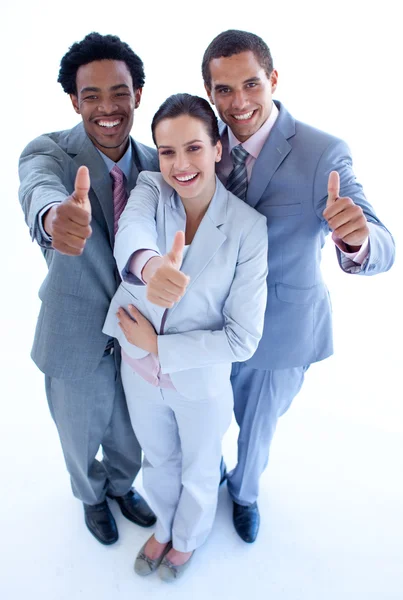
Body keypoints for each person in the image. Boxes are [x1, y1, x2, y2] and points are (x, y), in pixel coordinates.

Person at [149, 30, 395, 544]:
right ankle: (209, 474)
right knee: (202, 418)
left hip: (279, 331)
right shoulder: (198, 142)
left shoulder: (322, 152)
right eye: (223, 90)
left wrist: (358, 240)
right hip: (206, 324)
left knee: (257, 430)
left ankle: (244, 494)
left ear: (273, 79)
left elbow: (383, 243)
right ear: (210, 92)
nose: (239, 103)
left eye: (251, 84)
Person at [102, 93, 268, 580]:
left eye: (194, 148)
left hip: (199, 380)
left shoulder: (248, 228)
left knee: (199, 466)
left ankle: (189, 537)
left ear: (218, 148)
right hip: (136, 366)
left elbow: (243, 339)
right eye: (168, 151)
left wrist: (162, 347)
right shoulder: (151, 189)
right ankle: (164, 524)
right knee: (159, 457)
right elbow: (131, 232)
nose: (180, 164)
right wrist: (151, 267)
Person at [18, 32, 158, 545]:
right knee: (79, 438)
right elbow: (39, 189)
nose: (107, 107)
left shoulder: (160, 163)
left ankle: (122, 486)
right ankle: (91, 497)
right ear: (74, 101)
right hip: (76, 334)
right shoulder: (50, 151)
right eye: (91, 95)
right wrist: (56, 217)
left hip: (139, 337)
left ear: (137, 95)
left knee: (132, 435)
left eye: (119, 92)